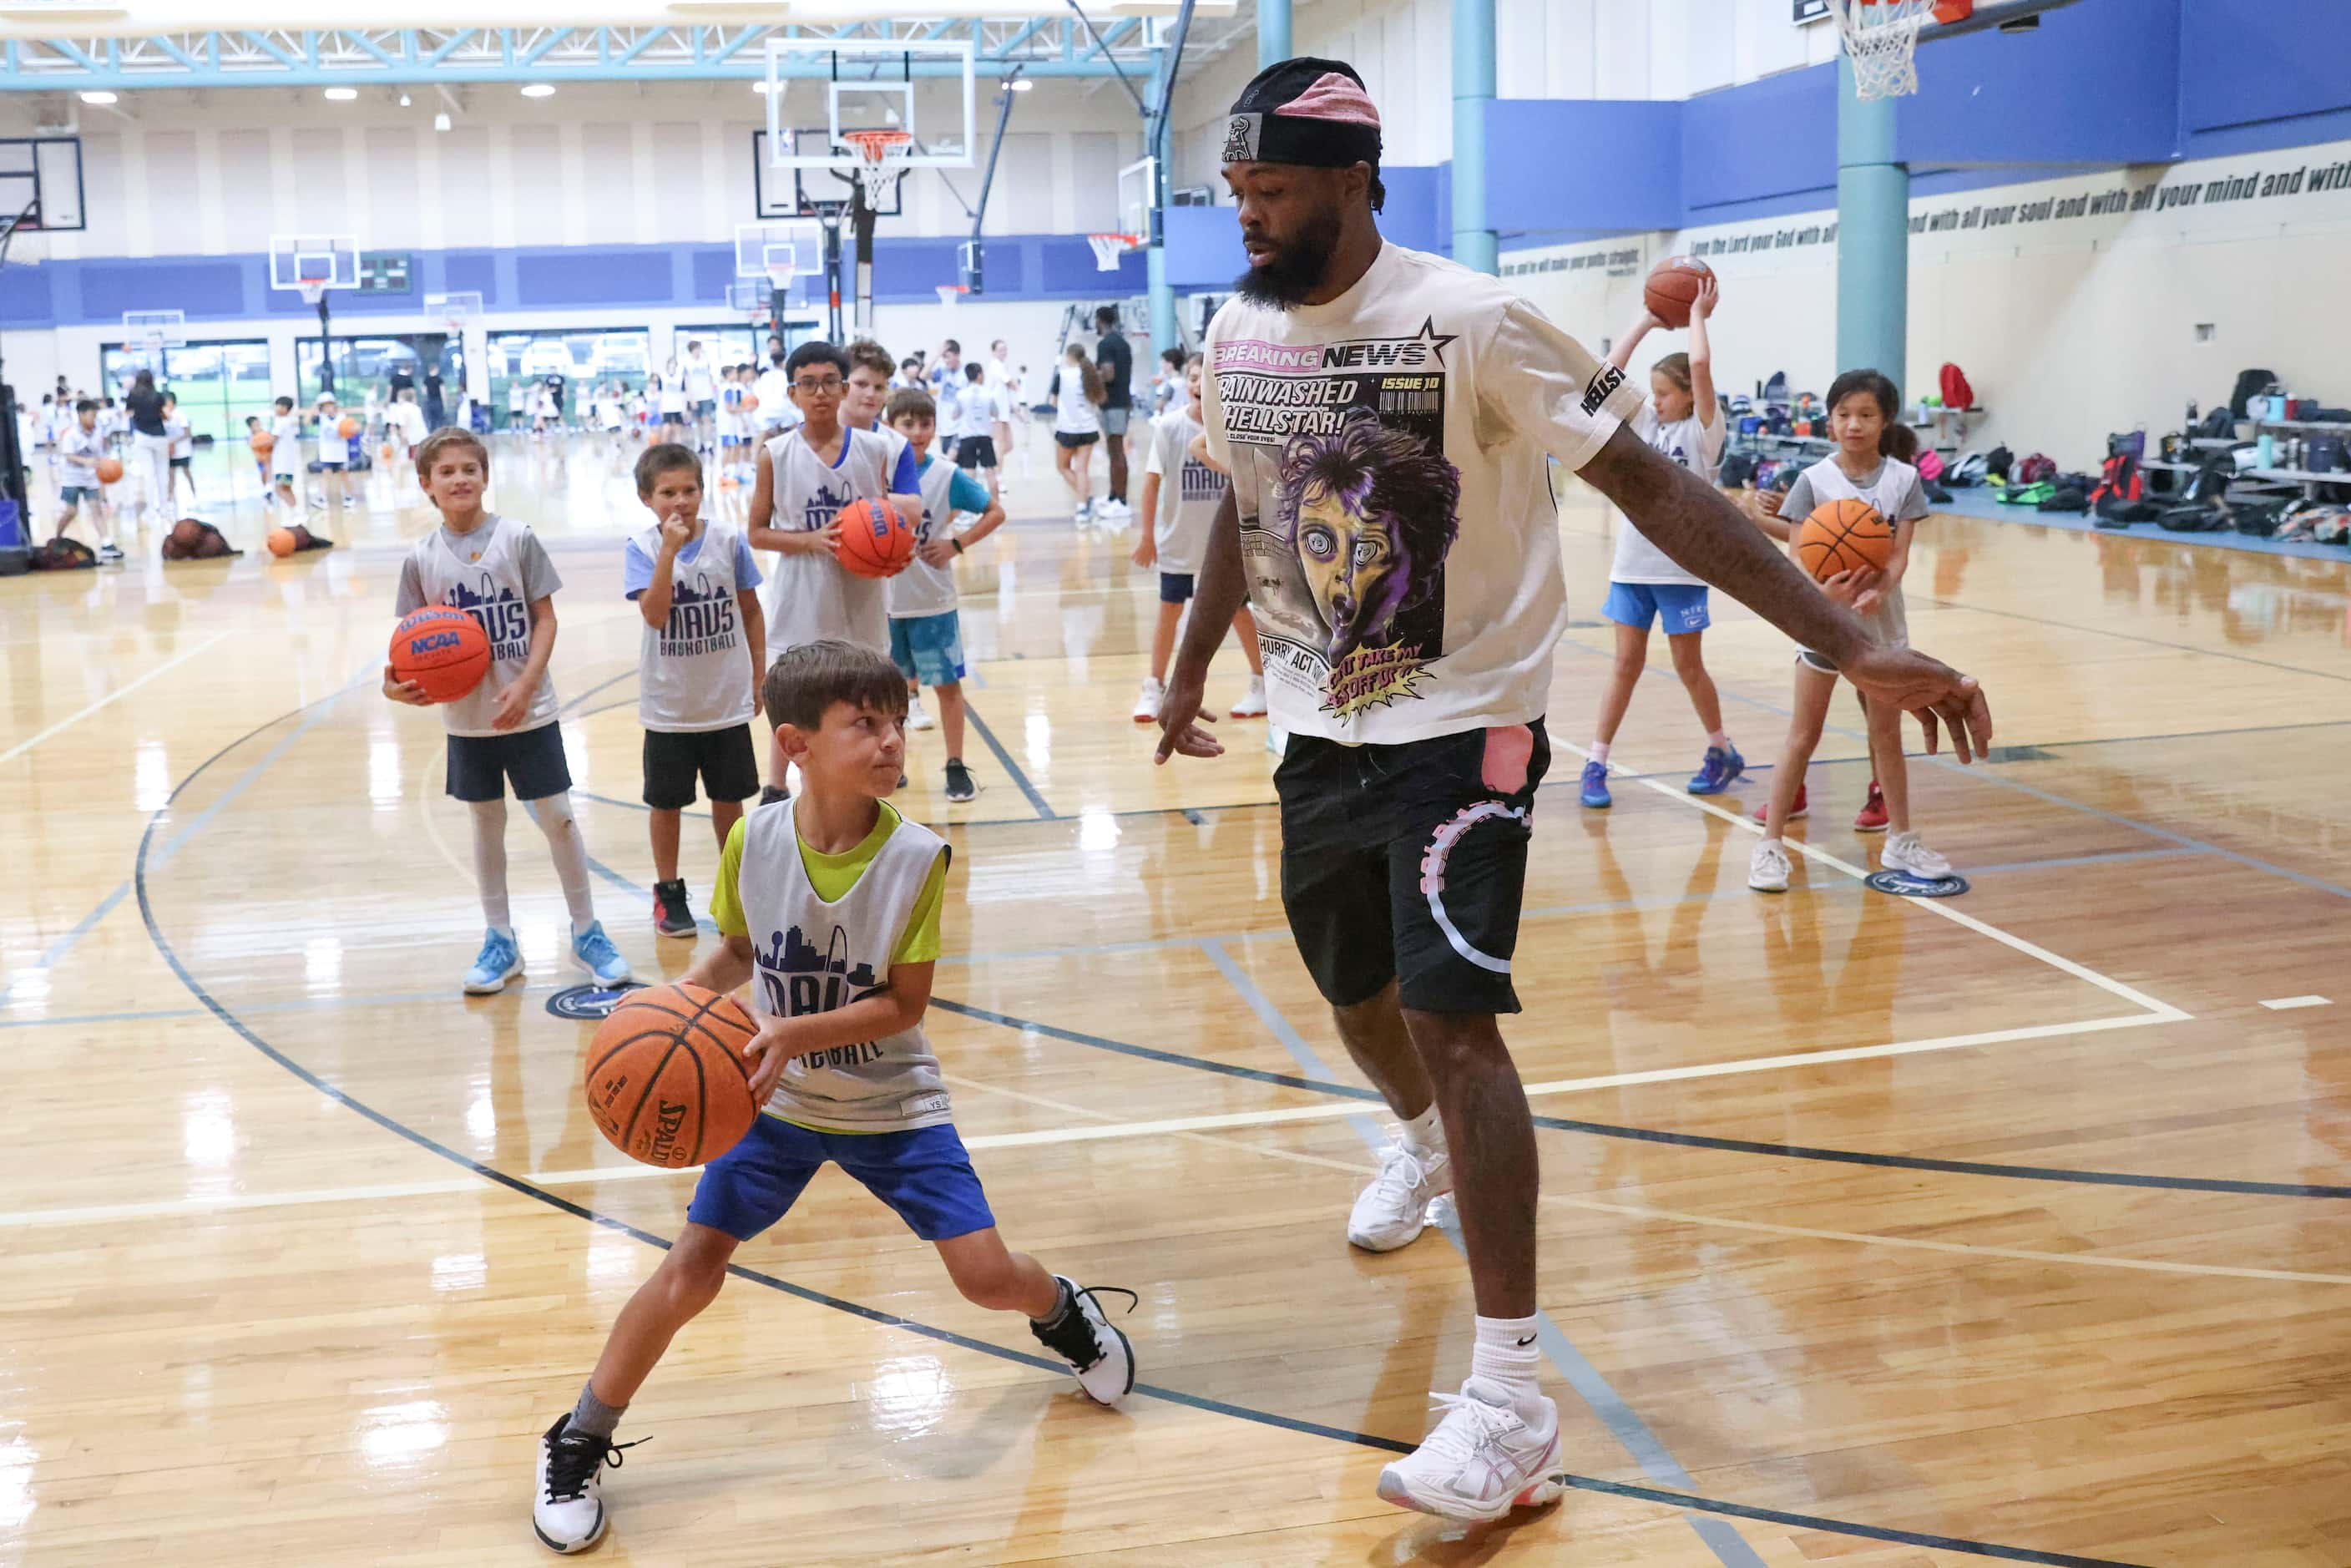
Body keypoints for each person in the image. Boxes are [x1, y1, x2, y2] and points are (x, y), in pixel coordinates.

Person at [1154, 56, 1990, 1523]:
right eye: (1235, 190)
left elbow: (1658, 494)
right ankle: (1415, 1145)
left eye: (1267, 188)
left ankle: (1510, 1398)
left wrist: (1852, 638)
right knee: (1351, 989)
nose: (1246, 215)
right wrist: (1184, 665)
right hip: (1315, 723)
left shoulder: (1472, 319)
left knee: (1450, 1018)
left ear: (1351, 182)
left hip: (1466, 721)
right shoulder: (1237, 326)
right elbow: (1243, 495)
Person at [529, 640, 1136, 1555]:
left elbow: (904, 1004)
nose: (892, 741)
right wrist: (682, 1007)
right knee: (689, 1269)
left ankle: (1061, 1311)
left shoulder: (918, 857)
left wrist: (789, 1033)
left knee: (983, 1278)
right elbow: (737, 950)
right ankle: (578, 1435)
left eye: (897, 722)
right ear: (796, 744)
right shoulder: (751, 839)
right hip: (771, 1107)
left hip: (889, 1104)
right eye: (865, 724)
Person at [385, 427, 635, 994]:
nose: (459, 479)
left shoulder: (517, 538)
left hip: (530, 709)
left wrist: (525, 683)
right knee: (486, 823)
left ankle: (587, 931)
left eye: (468, 469)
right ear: (427, 485)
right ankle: (500, 939)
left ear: (486, 476)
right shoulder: (421, 558)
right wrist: (392, 685)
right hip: (467, 718)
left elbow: (545, 617)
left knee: (558, 817)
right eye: (446, 472)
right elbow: (409, 641)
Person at [1747, 370, 1953, 893]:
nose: (1854, 424)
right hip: (1824, 628)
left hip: (1880, 633)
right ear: (1830, 421)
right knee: (1803, 734)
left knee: (1886, 735)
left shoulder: (1903, 480)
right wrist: (1827, 595)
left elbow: (1900, 554)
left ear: (1885, 422)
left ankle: (1900, 838)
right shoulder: (1814, 480)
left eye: (1866, 415)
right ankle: (1770, 846)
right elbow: (1796, 557)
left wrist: (1880, 591)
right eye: (1843, 415)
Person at [1578, 279, 1743, 809]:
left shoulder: (1704, 434)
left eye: (1665, 393)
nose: (1656, 401)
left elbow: (1699, 368)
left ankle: (1721, 750)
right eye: (1654, 393)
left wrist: (1696, 314)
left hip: (1682, 572)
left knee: (1687, 666)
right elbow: (1601, 382)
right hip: (1631, 567)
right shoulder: (1645, 423)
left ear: (1690, 398)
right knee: (1624, 664)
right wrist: (1647, 320)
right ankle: (1596, 761)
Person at [624, 442, 766, 938]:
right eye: (668, 492)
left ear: (703, 491)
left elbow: (750, 609)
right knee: (666, 805)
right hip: (669, 707)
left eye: (689, 490)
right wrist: (668, 550)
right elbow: (655, 613)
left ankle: (739, 890)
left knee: (731, 803)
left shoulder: (728, 541)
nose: (680, 501)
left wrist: (758, 672)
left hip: (724, 702)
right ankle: (668, 894)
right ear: (647, 498)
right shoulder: (642, 548)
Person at [884, 387, 1004, 803]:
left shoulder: (944, 475)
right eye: (908, 424)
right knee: (888, 696)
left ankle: (955, 764)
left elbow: (995, 511)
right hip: (882, 603)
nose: (918, 432)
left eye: (925, 424)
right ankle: (890, 765)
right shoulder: (875, 474)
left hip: (933, 601)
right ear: (889, 427)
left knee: (948, 687)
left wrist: (957, 543)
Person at [1131, 353, 1265, 724]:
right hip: (1178, 541)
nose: (1195, 385)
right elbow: (1151, 484)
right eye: (1191, 378)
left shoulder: (1231, 431)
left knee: (1239, 613)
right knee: (1169, 612)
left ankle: (1261, 683)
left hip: (1222, 546)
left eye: (1202, 379)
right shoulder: (1169, 428)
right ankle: (1154, 686)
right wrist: (1147, 537)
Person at [52, 398, 121, 563]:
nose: (94, 419)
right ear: (81, 414)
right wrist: (86, 462)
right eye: (92, 415)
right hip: (72, 479)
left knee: (96, 509)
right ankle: (57, 537)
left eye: (96, 415)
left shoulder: (98, 432)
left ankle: (106, 544)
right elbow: (68, 456)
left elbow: (99, 456)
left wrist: (103, 476)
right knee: (71, 512)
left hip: (91, 478)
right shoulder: (71, 434)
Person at [1049, 343, 1105, 524]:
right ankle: (1083, 506)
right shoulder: (1090, 374)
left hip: (1067, 429)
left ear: (1069, 356)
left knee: (1063, 467)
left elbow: (1053, 402)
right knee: (1082, 470)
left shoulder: (1062, 375)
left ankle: (1087, 498)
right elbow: (1096, 401)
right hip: (1088, 428)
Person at [1092, 306, 1135, 519]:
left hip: (1114, 404)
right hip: (1122, 402)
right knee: (1113, 452)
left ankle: (1122, 500)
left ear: (1100, 320)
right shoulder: (1123, 343)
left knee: (1117, 451)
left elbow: (1108, 374)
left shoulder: (1105, 344)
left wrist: (1090, 375)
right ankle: (1113, 495)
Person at [124, 367, 171, 519]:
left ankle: (151, 509)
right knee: (163, 474)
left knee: (148, 474)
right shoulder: (158, 396)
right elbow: (167, 415)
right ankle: (164, 508)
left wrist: (139, 414)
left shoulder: (133, 395)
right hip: (159, 436)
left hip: (142, 436)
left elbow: (128, 413)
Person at [950, 361, 1001, 497]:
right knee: (990, 471)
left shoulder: (961, 395)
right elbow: (996, 413)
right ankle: (995, 505)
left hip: (967, 437)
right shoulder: (988, 394)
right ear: (979, 375)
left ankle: (969, 507)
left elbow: (954, 415)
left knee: (968, 472)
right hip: (985, 437)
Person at [314, 393, 358, 508]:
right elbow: (306, 421)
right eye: (324, 406)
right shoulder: (321, 418)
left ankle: (349, 496)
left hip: (340, 452)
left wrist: (354, 429)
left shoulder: (343, 418)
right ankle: (322, 498)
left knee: (344, 474)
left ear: (334, 405)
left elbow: (354, 429)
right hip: (327, 452)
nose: (327, 408)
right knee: (326, 474)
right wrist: (314, 406)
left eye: (330, 405)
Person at [161, 392, 198, 508]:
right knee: (171, 475)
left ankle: (193, 494)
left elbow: (187, 433)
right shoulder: (164, 416)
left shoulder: (180, 414)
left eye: (167, 403)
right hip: (171, 451)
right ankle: (170, 498)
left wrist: (174, 441)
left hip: (183, 450)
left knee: (186, 472)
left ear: (172, 402)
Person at [680, 339, 716, 452]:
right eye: (695, 349)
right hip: (694, 396)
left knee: (707, 418)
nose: (697, 351)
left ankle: (709, 443)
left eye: (699, 348)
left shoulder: (706, 360)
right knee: (698, 421)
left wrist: (713, 392)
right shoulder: (687, 363)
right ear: (691, 351)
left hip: (707, 395)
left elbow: (710, 377)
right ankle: (700, 443)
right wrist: (691, 399)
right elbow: (686, 382)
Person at [269, 396, 304, 510]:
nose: (275, 408)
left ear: (284, 408)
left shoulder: (281, 422)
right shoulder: (286, 421)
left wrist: (257, 443)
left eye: (277, 406)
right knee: (286, 488)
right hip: (287, 463)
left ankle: (295, 511)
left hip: (283, 464)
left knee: (280, 489)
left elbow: (272, 440)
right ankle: (297, 513)